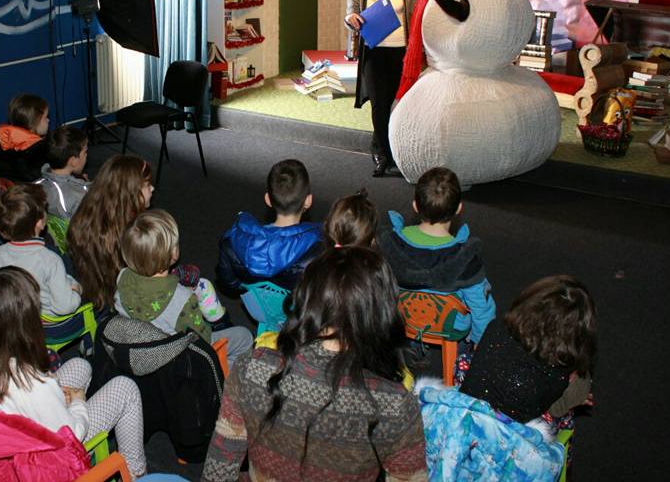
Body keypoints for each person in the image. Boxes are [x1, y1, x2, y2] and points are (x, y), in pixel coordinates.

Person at [202, 246, 427, 481]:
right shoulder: (396, 403)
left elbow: (219, 466)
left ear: (306, 299)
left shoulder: (252, 367)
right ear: (382, 312)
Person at [0, 266, 148, 478]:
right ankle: (135, 472)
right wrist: (78, 402)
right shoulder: (32, 384)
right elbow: (72, 435)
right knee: (125, 388)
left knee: (80, 365)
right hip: (49, 458)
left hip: (19, 433)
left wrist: (53, 394)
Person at [116, 209, 252, 366]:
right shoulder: (182, 299)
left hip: (147, 349)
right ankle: (222, 374)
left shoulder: (122, 277)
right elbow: (204, 338)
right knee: (244, 336)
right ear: (174, 254)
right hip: (184, 357)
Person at [376, 167, 495, 345]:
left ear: (415, 206)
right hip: (449, 327)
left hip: (399, 318)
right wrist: (478, 342)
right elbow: (481, 308)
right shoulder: (466, 259)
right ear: (458, 209)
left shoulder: (389, 244)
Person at [459, 275, 597, 425]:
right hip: (507, 434)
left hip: (464, 414)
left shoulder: (496, 327)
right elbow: (556, 410)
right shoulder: (558, 372)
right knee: (580, 381)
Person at [344, 0, 418, 177]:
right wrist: (351, 20)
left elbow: (415, 12)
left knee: (397, 102)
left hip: (400, 51)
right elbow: (350, 16)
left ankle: (393, 149)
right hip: (373, 52)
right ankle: (384, 155)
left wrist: (418, 47)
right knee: (378, 104)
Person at [0, 183, 81, 316]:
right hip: (48, 323)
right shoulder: (50, 260)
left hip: (12, 315)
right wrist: (76, 291)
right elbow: (64, 307)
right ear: (40, 223)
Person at [216, 159, 322, 293]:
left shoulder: (232, 240)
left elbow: (228, 283)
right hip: (297, 305)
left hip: (257, 304)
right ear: (308, 201)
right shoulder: (320, 249)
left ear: (268, 199)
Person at [67, 154, 153, 311]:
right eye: (147, 185)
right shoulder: (131, 234)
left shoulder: (84, 218)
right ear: (130, 192)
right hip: (122, 303)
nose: (152, 189)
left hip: (92, 294)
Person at [0, 94, 50, 182]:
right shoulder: (38, 152)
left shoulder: (2, 143)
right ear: (34, 121)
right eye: (45, 117)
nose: (48, 120)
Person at [38, 125, 90, 220]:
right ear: (74, 161)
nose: (86, 155)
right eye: (85, 152)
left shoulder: (36, 186)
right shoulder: (80, 197)